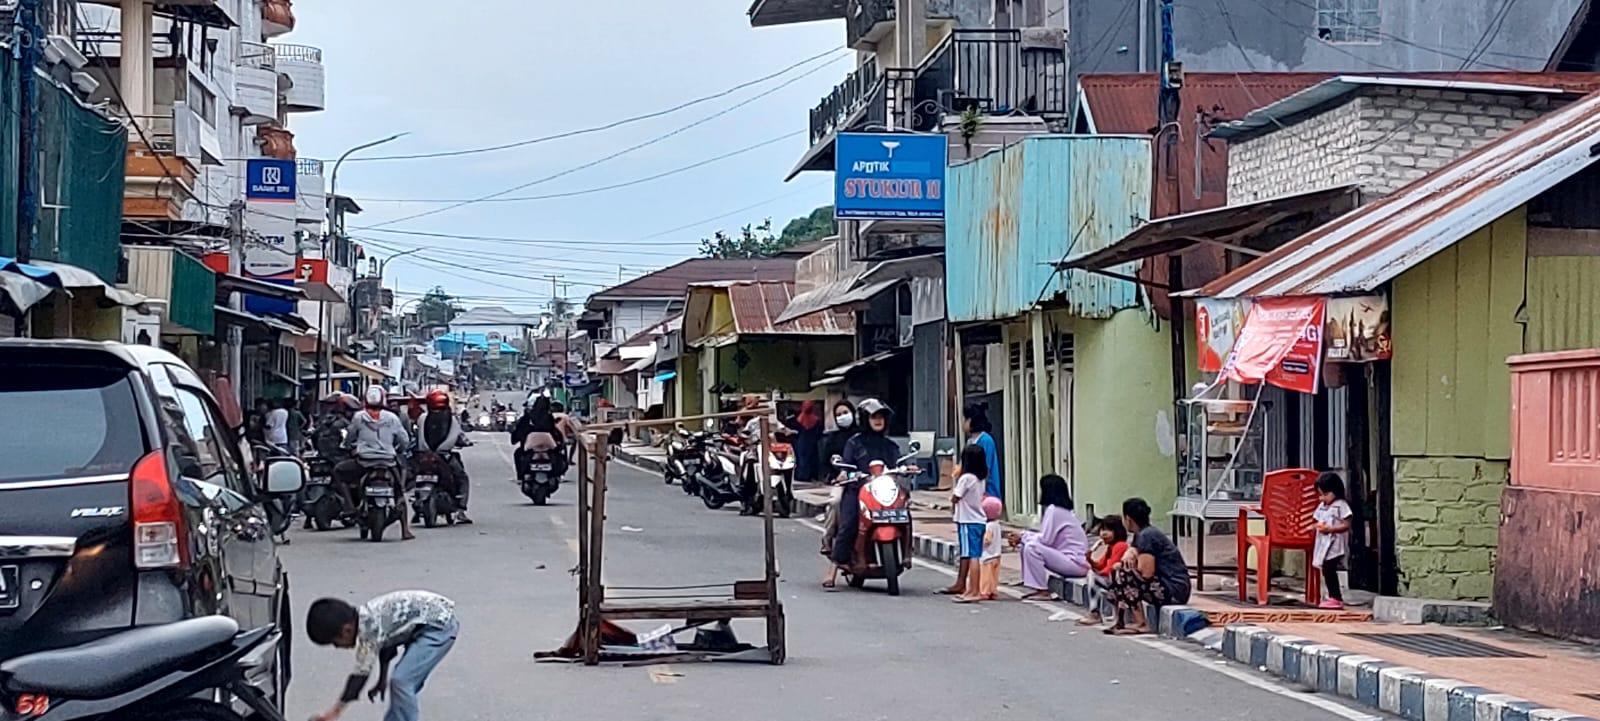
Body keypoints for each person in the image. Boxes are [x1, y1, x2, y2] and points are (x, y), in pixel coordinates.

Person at [306, 590, 458, 721]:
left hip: (439, 627)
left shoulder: (368, 630)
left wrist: (333, 713)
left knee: (402, 682)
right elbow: (387, 648)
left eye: (335, 642)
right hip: (428, 621)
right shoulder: (367, 616)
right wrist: (382, 680)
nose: (337, 647)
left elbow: (360, 676)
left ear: (347, 630)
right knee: (400, 689)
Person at [826, 398, 905, 587]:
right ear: (864, 419)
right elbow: (845, 464)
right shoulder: (854, 443)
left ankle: (907, 553)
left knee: (904, 513)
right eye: (873, 417)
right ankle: (833, 569)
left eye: (881, 417)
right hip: (858, 489)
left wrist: (907, 467)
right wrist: (844, 474)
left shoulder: (889, 445)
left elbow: (899, 461)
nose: (878, 421)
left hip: (884, 489)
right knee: (849, 522)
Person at [336, 386, 415, 541]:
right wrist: (398, 450)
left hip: (364, 461)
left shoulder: (359, 417)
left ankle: (350, 506)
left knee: (339, 472)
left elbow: (350, 436)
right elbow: (404, 439)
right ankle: (405, 530)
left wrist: (346, 446)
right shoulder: (392, 418)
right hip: (388, 461)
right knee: (399, 492)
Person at [1106, 497, 1191, 635]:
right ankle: (1120, 620)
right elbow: (1133, 551)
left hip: (1174, 590)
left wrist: (1129, 564)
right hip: (1165, 586)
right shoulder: (1141, 534)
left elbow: (1146, 573)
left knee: (1124, 574)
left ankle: (1142, 623)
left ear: (1128, 519)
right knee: (1117, 570)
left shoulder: (1148, 536)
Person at [1006, 474, 1090, 600]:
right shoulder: (1061, 510)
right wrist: (1023, 536)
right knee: (1027, 545)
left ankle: (1042, 590)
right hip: (1072, 560)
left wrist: (1023, 537)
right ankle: (1031, 582)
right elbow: (1045, 537)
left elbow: (1045, 540)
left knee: (1032, 548)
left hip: (1074, 563)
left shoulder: (1054, 510)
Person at [940, 443, 990, 595]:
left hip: (967, 520)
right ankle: (964, 584)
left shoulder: (966, 478)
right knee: (971, 554)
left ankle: (971, 589)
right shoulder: (980, 478)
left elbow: (956, 496)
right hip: (978, 519)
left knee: (970, 555)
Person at [418, 390, 473, 524]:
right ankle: (461, 510)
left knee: (412, 474)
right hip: (444, 456)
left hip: (425, 456)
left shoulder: (422, 417)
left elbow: (416, 434)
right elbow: (459, 436)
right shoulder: (452, 419)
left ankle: (415, 506)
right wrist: (466, 442)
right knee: (462, 477)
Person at [816, 400, 858, 561]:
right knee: (835, 501)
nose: (842, 417)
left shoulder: (862, 435)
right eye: (839, 415)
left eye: (845, 413)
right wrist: (835, 476)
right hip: (843, 481)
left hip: (867, 480)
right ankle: (828, 538)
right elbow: (825, 463)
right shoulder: (833, 439)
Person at [1078, 515, 1130, 626]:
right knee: (1091, 574)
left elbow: (1108, 570)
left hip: (1120, 583)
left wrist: (1096, 573)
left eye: (1108, 530)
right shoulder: (1110, 547)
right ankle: (1099, 613)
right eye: (1102, 530)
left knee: (1092, 577)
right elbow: (1100, 565)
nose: (1104, 533)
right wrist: (1090, 556)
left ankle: (1094, 612)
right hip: (1112, 581)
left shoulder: (1120, 546)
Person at [1313, 472, 1353, 610]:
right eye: (1320, 495)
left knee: (1330, 569)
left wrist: (1331, 529)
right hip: (1324, 543)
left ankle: (1336, 597)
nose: (1322, 498)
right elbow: (1316, 520)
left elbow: (1346, 524)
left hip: (1335, 544)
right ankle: (1332, 596)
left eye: (1325, 494)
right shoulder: (1323, 506)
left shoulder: (1341, 505)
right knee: (1325, 569)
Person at [958, 496, 1006, 603]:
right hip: (996, 555)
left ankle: (984, 591)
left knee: (986, 576)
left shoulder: (988, 526)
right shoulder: (997, 525)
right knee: (994, 576)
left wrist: (980, 543)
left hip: (987, 556)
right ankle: (993, 591)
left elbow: (987, 540)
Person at [511, 396, 563, 479]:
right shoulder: (549, 417)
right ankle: (558, 475)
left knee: (518, 454)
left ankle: (520, 477)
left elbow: (519, 431)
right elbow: (555, 432)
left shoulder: (527, 417)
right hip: (548, 447)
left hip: (530, 447)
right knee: (559, 454)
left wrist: (516, 439)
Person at [964, 403, 1003, 502]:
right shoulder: (970, 441)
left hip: (987, 491)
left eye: (965, 420)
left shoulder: (986, 440)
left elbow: (987, 468)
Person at [780, 400, 824, 485]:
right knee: (808, 459)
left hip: (801, 443)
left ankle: (801, 476)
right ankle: (807, 476)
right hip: (811, 443)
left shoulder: (797, 419)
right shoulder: (816, 420)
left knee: (801, 459)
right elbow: (819, 433)